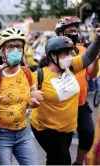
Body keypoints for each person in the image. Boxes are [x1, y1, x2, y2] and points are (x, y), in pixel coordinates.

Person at [31, 28, 100, 165]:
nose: (68, 56)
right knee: (63, 160)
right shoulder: (38, 76)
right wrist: (30, 97)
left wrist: (98, 38)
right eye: (64, 53)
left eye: (69, 52)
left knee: (54, 160)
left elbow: (88, 57)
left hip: (67, 128)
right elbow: (22, 95)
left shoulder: (71, 67)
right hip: (46, 129)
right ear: (52, 55)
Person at [0, 27, 41, 165]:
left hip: (24, 131)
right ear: (1, 51)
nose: (15, 50)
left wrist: (33, 101)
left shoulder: (27, 72)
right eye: (10, 47)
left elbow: (32, 95)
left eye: (19, 46)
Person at [55, 16, 99, 165]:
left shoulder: (83, 50)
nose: (74, 33)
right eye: (70, 30)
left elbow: (92, 73)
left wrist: (96, 59)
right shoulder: (55, 52)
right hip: (63, 107)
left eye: (75, 30)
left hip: (81, 104)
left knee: (88, 134)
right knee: (63, 144)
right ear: (61, 34)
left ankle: (78, 163)